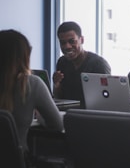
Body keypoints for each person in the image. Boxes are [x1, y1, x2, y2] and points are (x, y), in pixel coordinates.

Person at [0, 29, 63, 165]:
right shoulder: (32, 83)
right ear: (23, 56)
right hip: (15, 162)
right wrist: (39, 115)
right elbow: (57, 124)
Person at [53, 21, 111, 108]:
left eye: (72, 41)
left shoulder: (98, 64)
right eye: (63, 43)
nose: (67, 46)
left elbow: (106, 99)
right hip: (67, 115)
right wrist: (56, 85)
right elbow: (60, 98)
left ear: (82, 40)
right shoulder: (62, 62)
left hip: (91, 117)